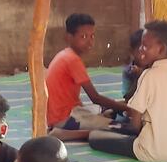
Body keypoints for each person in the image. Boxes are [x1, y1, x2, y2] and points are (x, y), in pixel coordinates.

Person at [87, 20, 167, 162]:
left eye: (145, 46)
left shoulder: (149, 75)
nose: (140, 49)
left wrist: (130, 131)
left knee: (94, 136)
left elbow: (135, 118)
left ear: (161, 49)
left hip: (151, 152)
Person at [46, 13, 129, 142]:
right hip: (65, 118)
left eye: (92, 36)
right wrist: (129, 109)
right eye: (83, 36)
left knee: (111, 110)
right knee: (121, 128)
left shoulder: (65, 55)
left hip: (63, 113)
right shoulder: (72, 60)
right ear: (69, 37)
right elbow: (95, 97)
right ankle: (64, 133)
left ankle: (85, 125)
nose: (90, 41)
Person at [122, 28, 145, 102]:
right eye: (140, 51)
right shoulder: (128, 71)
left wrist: (143, 74)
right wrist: (138, 78)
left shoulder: (154, 67)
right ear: (131, 51)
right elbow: (127, 97)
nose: (144, 54)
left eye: (146, 49)